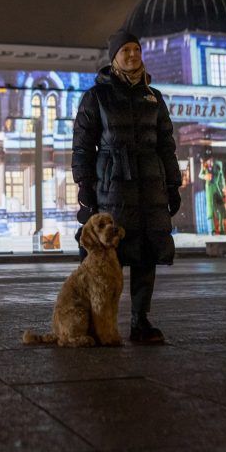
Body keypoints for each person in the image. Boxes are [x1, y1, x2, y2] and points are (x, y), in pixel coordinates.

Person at [72, 29, 182, 344]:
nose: (132, 55)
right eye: (125, 50)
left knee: (147, 253)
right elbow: (82, 147)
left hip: (150, 188)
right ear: (114, 57)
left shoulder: (154, 97)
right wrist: (85, 187)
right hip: (112, 187)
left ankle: (140, 321)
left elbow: (166, 144)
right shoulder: (97, 97)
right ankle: (99, 323)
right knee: (107, 257)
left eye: (136, 49)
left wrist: (172, 184)